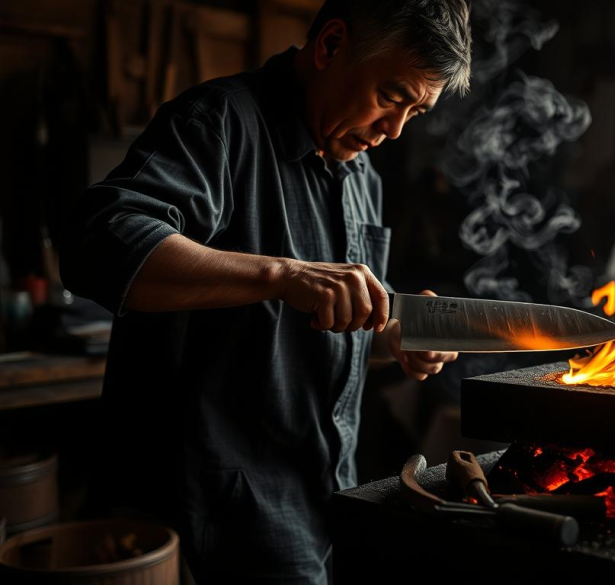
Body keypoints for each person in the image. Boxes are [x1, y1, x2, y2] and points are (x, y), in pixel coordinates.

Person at [59, 1, 471, 582]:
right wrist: (283, 275)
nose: (395, 130)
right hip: (205, 519)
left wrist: (391, 335)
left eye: (416, 111)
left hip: (320, 506)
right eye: (391, 95)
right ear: (330, 45)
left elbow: (314, 331)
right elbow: (98, 243)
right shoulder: (217, 124)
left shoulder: (361, 176)